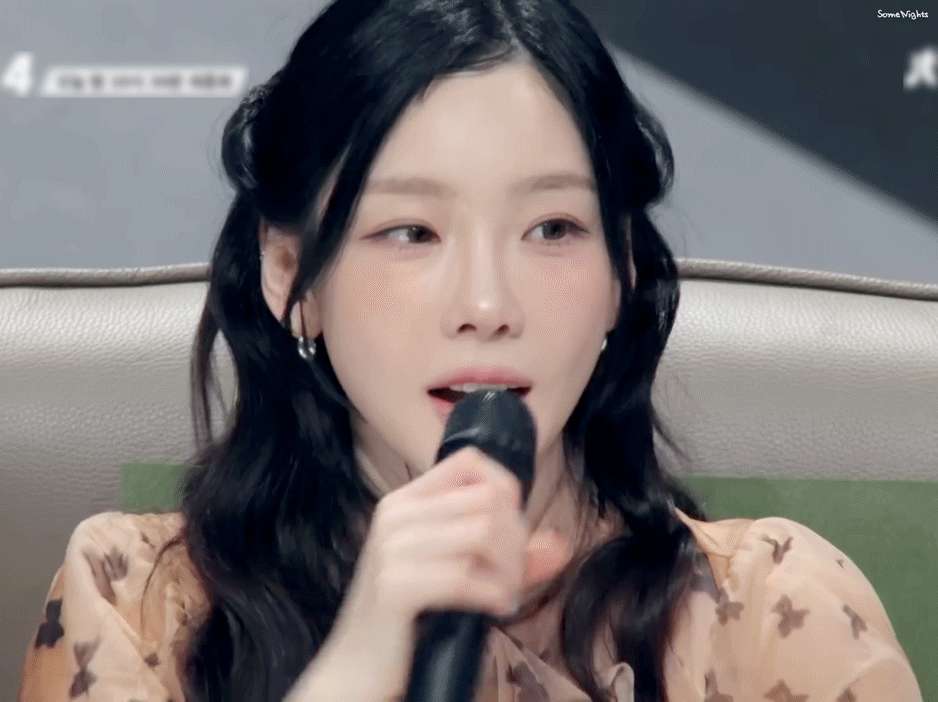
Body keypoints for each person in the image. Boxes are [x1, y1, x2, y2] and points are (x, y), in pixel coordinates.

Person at [17, 0, 924, 701]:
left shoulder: (770, 609)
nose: (488, 307)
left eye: (553, 228)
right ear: (292, 274)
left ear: (620, 271)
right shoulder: (138, 603)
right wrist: (359, 663)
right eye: (412, 232)